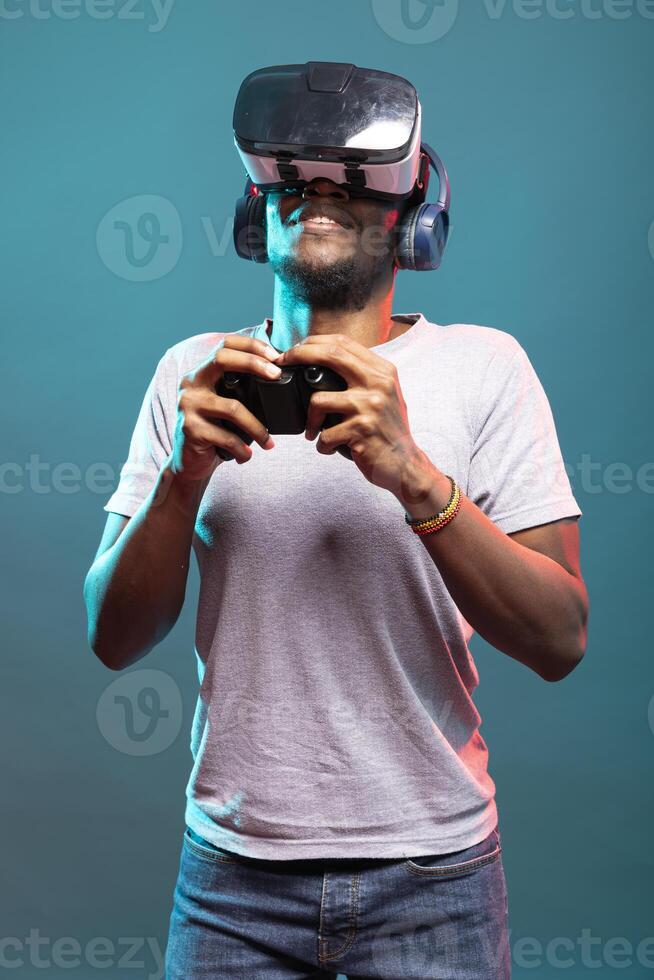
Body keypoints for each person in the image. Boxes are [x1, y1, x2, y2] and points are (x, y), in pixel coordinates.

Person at [83, 62, 588, 979]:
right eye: (293, 180)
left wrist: (415, 478)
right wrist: (179, 475)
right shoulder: (192, 376)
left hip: (435, 876)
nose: (314, 196)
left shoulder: (487, 369)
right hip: (234, 880)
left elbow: (560, 637)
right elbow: (113, 637)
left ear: (411, 215)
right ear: (256, 211)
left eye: (346, 184)